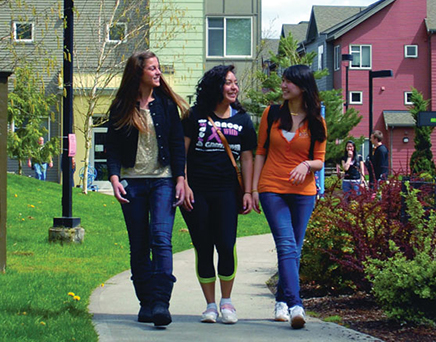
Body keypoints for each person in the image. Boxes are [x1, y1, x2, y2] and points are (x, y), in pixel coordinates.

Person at [105, 50, 187, 327]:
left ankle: (162, 303)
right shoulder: (121, 106)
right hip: (133, 183)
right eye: (152, 68)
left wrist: (180, 178)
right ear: (138, 72)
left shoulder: (165, 104)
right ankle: (146, 303)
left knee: (161, 238)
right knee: (139, 244)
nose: (157, 72)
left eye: (158, 68)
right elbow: (112, 147)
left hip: (163, 180)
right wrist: (114, 178)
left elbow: (177, 144)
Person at [179, 65, 258, 324]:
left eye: (236, 83)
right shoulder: (195, 115)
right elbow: (183, 153)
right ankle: (210, 305)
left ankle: (227, 302)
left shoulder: (243, 120)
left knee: (226, 245)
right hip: (196, 192)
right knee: (204, 247)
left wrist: (248, 191)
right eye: (228, 82)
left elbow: (247, 158)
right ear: (216, 87)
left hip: (226, 192)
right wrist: (185, 184)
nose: (234, 87)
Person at [252, 65, 327, 329]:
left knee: (294, 249)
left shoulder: (317, 121)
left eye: (288, 82)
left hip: (303, 193)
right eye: (282, 81)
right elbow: (260, 151)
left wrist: (306, 165)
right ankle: (297, 304)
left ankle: (281, 301)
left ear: (303, 87)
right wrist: (254, 189)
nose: (283, 86)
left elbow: (319, 160)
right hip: (272, 188)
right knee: (286, 245)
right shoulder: (271, 114)